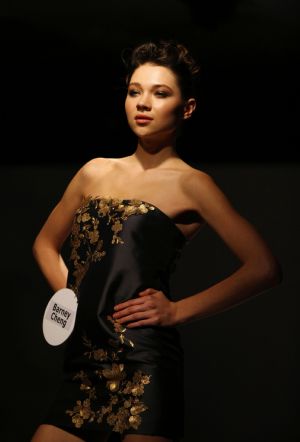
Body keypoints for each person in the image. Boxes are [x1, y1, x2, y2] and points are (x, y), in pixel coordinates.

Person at [31, 39, 282, 442]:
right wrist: (72, 297)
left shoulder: (193, 185)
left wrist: (178, 311)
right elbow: (44, 243)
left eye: (160, 93)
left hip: (144, 361)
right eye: (135, 92)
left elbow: (264, 268)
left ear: (187, 108)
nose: (143, 103)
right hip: (83, 361)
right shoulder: (94, 172)